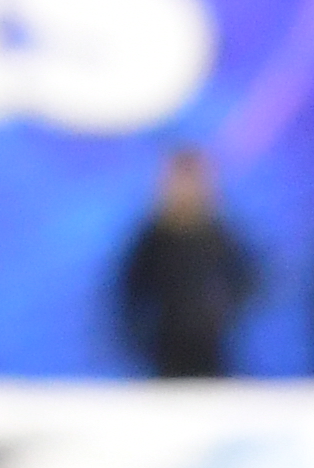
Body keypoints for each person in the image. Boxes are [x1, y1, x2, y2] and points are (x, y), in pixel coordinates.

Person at [111, 145, 259, 379]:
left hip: (213, 351)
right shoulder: (153, 238)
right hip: (166, 351)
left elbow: (249, 279)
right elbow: (130, 292)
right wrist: (137, 334)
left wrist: (224, 308)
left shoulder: (219, 236)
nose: (187, 189)